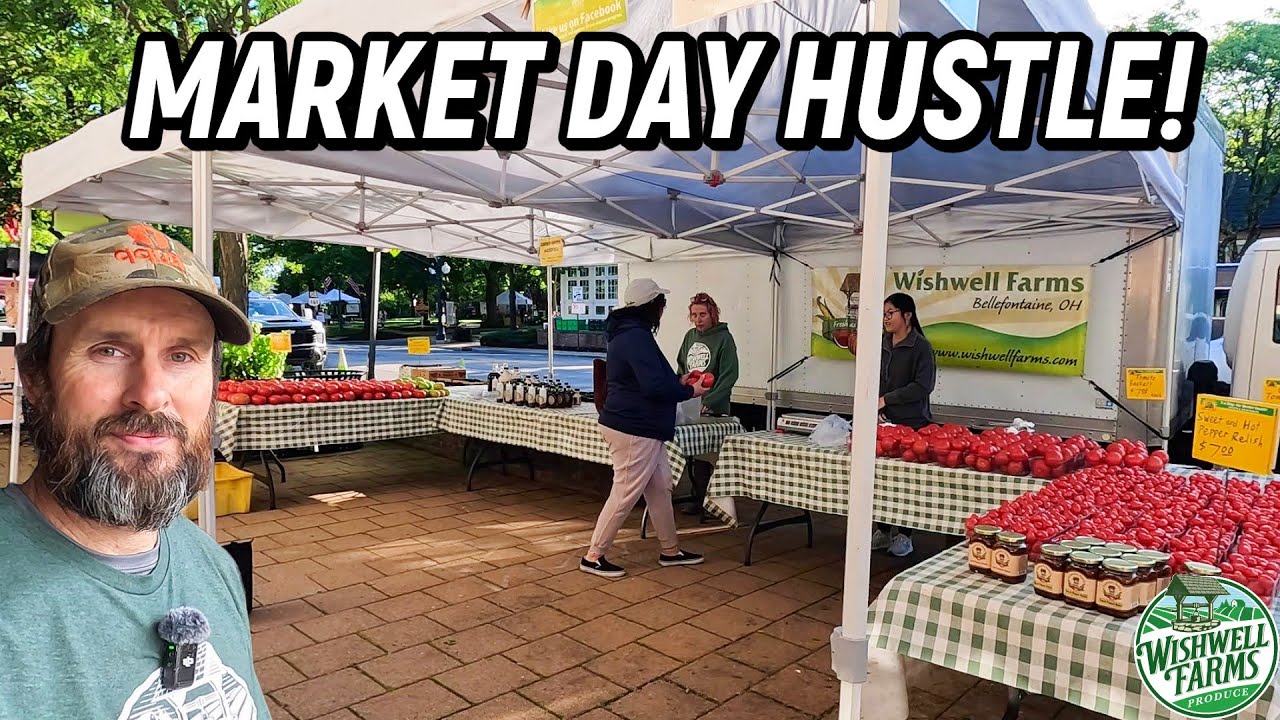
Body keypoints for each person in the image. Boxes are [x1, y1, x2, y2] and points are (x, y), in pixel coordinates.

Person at [1, 221, 268, 718]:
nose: (149, 392)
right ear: (36, 378)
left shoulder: (209, 564)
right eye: (109, 350)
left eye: (182, 355)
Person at [581, 278, 708, 578]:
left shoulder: (628, 332)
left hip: (637, 425)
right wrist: (691, 392)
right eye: (661, 303)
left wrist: (678, 382)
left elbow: (648, 378)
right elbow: (652, 386)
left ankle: (670, 550)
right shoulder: (636, 336)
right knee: (625, 493)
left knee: (661, 486)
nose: (663, 309)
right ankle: (593, 556)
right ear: (651, 305)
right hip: (635, 427)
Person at [873, 292, 937, 558]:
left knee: (906, 484)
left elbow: (923, 386)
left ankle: (905, 535)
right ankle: (882, 529)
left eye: (891, 313)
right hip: (884, 423)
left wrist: (887, 399)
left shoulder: (921, 347)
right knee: (881, 481)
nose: (886, 319)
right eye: (884, 314)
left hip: (913, 426)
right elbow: (874, 377)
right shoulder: (883, 343)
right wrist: (874, 408)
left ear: (907, 315)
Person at [675, 292, 740, 515]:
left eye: (702, 314)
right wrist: (680, 392)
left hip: (716, 409)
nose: (698, 319)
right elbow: (681, 367)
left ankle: (714, 503)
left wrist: (710, 401)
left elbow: (730, 375)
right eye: (694, 315)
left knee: (710, 457)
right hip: (690, 403)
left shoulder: (724, 339)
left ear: (712, 314)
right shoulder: (689, 336)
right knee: (694, 456)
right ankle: (698, 498)